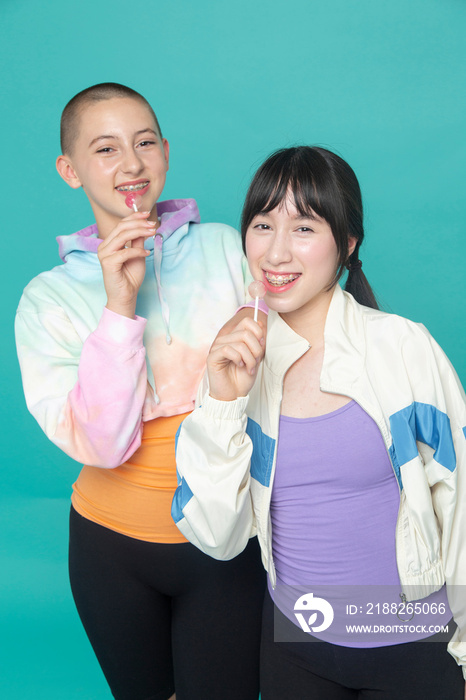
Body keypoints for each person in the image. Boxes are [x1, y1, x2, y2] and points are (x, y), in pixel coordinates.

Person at [173, 146, 466, 699]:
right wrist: (222, 401)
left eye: (304, 226)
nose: (276, 251)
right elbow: (215, 536)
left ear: (348, 243)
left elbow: (463, 503)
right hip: (296, 644)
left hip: (414, 646)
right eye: (262, 224)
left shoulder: (403, 348)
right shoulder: (235, 360)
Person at [15, 82, 265, 700]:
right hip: (110, 547)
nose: (131, 164)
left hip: (228, 539)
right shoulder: (46, 299)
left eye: (144, 142)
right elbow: (102, 444)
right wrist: (119, 305)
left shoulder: (229, 250)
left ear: (166, 152)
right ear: (69, 171)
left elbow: (282, 381)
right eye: (105, 149)